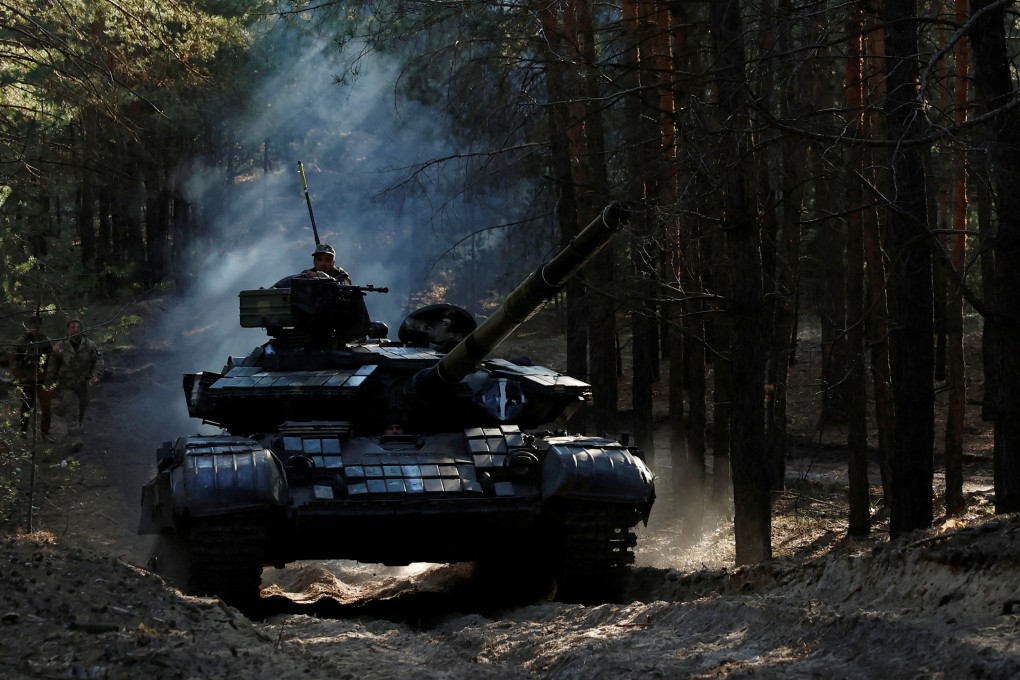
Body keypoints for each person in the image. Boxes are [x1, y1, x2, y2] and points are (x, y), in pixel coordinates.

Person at [46, 318, 103, 433]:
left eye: (78, 327)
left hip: (84, 383)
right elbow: (53, 365)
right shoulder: (61, 345)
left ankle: (78, 425)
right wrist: (49, 383)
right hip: (67, 384)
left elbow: (98, 361)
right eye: (72, 327)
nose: (75, 330)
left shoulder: (90, 345)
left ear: (81, 329)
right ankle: (74, 438)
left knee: (83, 406)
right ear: (68, 329)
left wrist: (96, 375)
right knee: (72, 408)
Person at [8, 315, 54, 439]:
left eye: (38, 326)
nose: (36, 328)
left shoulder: (45, 340)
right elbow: (13, 360)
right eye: (34, 326)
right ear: (30, 326)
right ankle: (23, 431)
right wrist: (20, 377)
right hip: (27, 378)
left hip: (42, 378)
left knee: (46, 407)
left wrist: (49, 374)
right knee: (26, 406)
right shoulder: (22, 341)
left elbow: (52, 358)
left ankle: (45, 433)